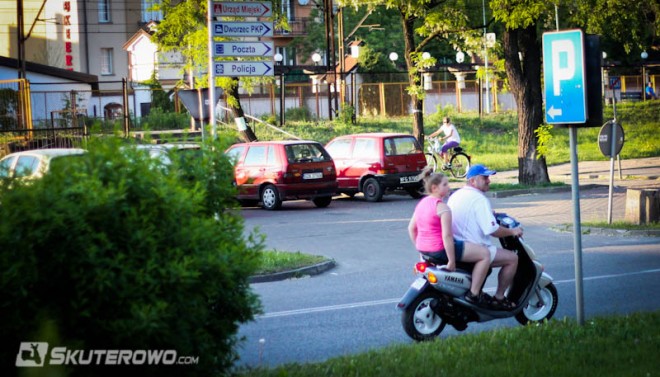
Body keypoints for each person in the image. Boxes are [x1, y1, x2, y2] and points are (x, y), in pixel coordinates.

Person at [408, 168, 491, 306]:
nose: (449, 187)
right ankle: (474, 294)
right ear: (434, 188)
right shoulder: (442, 208)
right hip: (440, 249)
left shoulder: (421, 204)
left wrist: (420, 249)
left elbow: (411, 229)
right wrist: (451, 261)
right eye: (445, 185)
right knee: (485, 254)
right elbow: (447, 236)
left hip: (425, 250)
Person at [446, 164, 521, 310]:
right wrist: (512, 232)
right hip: (474, 246)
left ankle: (478, 292)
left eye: (488, 177)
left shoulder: (456, 195)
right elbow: (491, 229)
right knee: (513, 258)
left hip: (458, 243)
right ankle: (499, 298)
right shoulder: (479, 199)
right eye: (485, 177)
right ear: (473, 181)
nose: (488, 181)